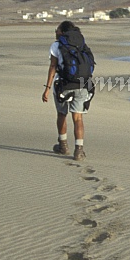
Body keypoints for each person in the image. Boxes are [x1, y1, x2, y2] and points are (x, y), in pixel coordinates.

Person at [41, 21, 94, 160]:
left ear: (62, 31)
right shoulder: (81, 44)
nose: (55, 32)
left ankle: (63, 146)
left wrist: (46, 88)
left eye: (57, 29)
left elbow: (53, 67)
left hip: (63, 85)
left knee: (62, 114)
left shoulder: (56, 45)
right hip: (82, 84)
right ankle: (79, 150)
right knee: (78, 118)